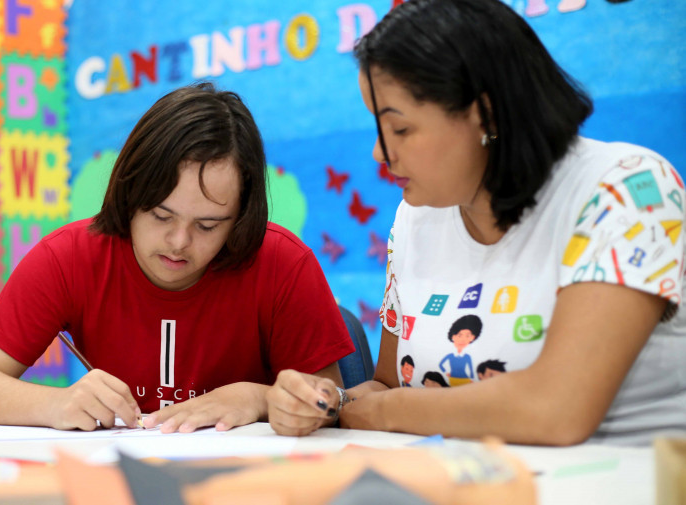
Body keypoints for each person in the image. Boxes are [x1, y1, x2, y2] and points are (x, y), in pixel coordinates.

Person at [266, 0, 686, 445]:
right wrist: (324, 402)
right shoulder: (416, 215)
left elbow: (556, 412)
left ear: (485, 114)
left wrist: (379, 411)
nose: (381, 153)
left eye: (401, 130)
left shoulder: (628, 188)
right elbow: (388, 387)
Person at [0, 82, 354, 433]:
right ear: (129, 193)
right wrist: (55, 405)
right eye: (160, 215)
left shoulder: (282, 263)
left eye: (208, 226)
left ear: (240, 217)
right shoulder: (69, 256)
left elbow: (332, 406)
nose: (179, 242)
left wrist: (257, 398)